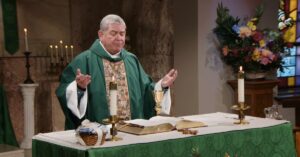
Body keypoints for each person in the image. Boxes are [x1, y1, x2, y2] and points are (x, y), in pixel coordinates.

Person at [56, 14, 177, 129]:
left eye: (122, 34)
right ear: (101, 34)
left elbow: (146, 91)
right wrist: (79, 89)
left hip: (132, 131)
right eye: (113, 33)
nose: (119, 38)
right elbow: (63, 91)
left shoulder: (131, 60)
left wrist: (162, 86)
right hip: (99, 135)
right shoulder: (84, 60)